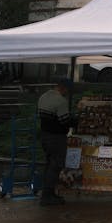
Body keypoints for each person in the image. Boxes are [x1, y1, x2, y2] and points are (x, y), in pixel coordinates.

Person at [38, 77, 73, 206]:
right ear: (63, 88)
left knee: (48, 164)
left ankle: (48, 192)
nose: (67, 93)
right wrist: (75, 120)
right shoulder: (60, 101)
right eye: (67, 90)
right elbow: (65, 121)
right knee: (56, 165)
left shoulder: (43, 97)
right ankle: (47, 196)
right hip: (57, 137)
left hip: (45, 135)